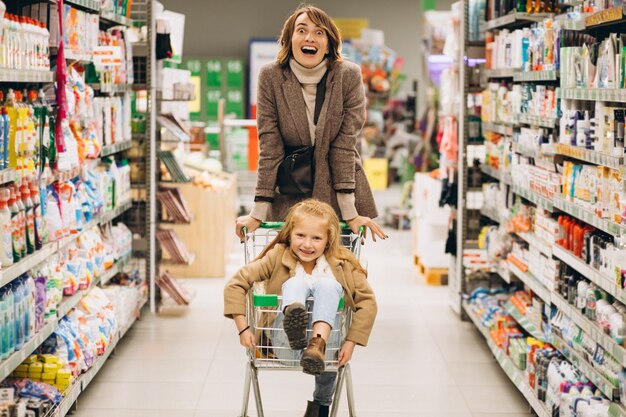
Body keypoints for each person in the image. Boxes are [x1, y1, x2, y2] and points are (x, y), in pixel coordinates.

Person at [235, 4, 386, 242]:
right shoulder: (271, 77)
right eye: (301, 30)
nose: (310, 38)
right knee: (290, 274)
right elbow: (270, 148)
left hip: (338, 190)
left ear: (329, 43)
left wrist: (350, 212)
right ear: (289, 39)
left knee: (335, 276)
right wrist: (258, 211)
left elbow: (345, 146)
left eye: (319, 32)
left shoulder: (348, 76)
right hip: (290, 192)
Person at [224, 199, 377, 417]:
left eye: (316, 238)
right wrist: (243, 328)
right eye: (301, 236)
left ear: (329, 240)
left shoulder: (343, 263)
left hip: (328, 349)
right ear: (290, 233)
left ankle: (317, 344)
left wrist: (352, 341)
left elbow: (368, 302)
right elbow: (236, 284)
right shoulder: (277, 255)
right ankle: (294, 319)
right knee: (295, 283)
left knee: (328, 286)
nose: (307, 244)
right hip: (285, 342)